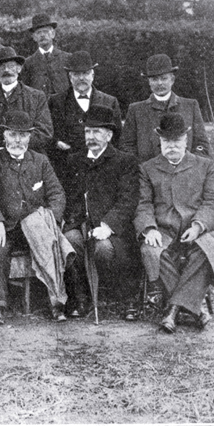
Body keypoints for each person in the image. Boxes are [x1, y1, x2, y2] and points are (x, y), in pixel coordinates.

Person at [0, 112, 72, 323]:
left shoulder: (40, 161)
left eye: (22, 135)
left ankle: (57, 303)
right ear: (4, 136)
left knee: (52, 244)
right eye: (12, 135)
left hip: (36, 226)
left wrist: (51, 221)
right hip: (8, 227)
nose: (17, 140)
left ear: (29, 137)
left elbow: (57, 193)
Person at [134, 113, 214, 333]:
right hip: (164, 230)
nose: (171, 146)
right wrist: (149, 228)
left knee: (206, 250)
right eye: (166, 142)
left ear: (186, 141)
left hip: (200, 229)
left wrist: (198, 226)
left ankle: (173, 310)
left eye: (176, 141)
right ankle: (197, 308)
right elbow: (143, 204)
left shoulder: (204, 166)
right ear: (160, 142)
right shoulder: (148, 168)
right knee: (151, 250)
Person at [62, 106, 140, 319]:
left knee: (104, 250)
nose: (91, 137)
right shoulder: (75, 161)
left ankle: (123, 297)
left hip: (113, 229)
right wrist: (73, 221)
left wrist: (107, 225)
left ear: (109, 135)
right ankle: (82, 297)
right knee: (69, 241)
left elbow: (128, 199)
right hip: (82, 225)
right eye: (87, 132)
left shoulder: (125, 162)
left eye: (97, 132)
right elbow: (69, 197)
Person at [120, 54, 210, 163]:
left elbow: (202, 145)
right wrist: (143, 170)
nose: (159, 83)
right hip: (147, 176)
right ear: (149, 82)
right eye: (154, 79)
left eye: (164, 78)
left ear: (172, 80)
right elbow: (127, 147)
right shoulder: (136, 110)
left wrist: (190, 168)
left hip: (185, 175)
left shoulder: (190, 106)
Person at [47, 51, 122, 171]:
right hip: (67, 168)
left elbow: (118, 138)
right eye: (76, 74)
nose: (81, 78)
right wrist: (57, 143)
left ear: (93, 75)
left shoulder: (109, 101)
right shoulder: (56, 102)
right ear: (70, 77)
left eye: (85, 73)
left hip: (102, 167)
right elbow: (48, 134)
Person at [0, 47, 53, 153]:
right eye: (1, 67)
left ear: (19, 68)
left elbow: (44, 132)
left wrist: (14, 147)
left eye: (11, 66)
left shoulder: (36, 96)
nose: (6, 70)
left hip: (29, 156)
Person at [19, 14, 72, 98]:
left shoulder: (67, 58)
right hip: (39, 107)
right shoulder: (28, 63)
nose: (42, 35)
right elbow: (25, 90)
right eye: (38, 32)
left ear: (53, 34)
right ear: (34, 37)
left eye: (46, 31)